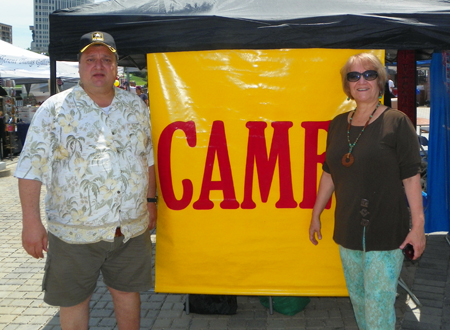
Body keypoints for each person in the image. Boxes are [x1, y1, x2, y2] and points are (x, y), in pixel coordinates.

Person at [14, 31, 157, 330]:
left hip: (129, 228)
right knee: (74, 300)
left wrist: (150, 201)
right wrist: (31, 222)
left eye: (106, 59)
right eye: (90, 59)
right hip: (74, 232)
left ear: (117, 66)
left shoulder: (136, 107)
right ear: (79, 66)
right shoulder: (54, 109)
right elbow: (30, 168)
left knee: (127, 292)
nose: (98, 65)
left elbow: (148, 159)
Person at [309, 53, 426, 330]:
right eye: (354, 76)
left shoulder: (397, 122)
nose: (362, 80)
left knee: (378, 304)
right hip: (348, 229)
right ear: (347, 84)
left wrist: (418, 227)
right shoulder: (338, 124)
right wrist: (316, 214)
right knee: (360, 300)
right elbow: (329, 173)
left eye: (369, 74)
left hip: (386, 232)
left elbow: (411, 178)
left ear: (381, 81)